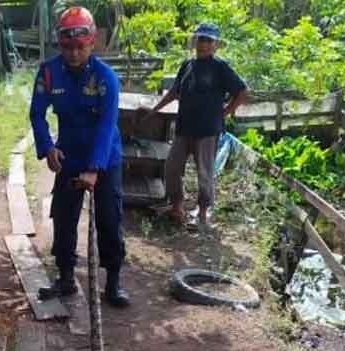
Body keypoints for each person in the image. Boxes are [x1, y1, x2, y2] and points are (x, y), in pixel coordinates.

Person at [29, 7, 129, 307]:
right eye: (67, 47)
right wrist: (48, 147)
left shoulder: (105, 78)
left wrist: (95, 168)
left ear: (93, 42)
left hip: (105, 159)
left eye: (80, 47)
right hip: (69, 157)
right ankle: (65, 277)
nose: (73, 53)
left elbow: (107, 124)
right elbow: (37, 113)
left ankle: (112, 283)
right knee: (63, 217)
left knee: (109, 221)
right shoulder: (49, 72)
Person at [139, 23, 247, 229]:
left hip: (207, 130)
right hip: (184, 127)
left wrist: (225, 112)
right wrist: (153, 110)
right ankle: (177, 206)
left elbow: (241, 91)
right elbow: (173, 92)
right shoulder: (187, 65)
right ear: (195, 41)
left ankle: (204, 213)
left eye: (208, 41)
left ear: (215, 45)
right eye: (201, 39)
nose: (203, 44)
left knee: (204, 173)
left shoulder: (220, 67)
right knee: (171, 167)